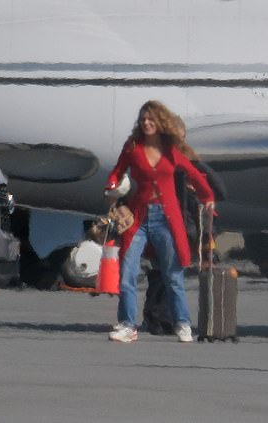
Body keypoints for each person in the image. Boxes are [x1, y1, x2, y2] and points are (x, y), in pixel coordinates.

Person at [105, 100, 215, 343]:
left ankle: (183, 323)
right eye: (143, 119)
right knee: (127, 272)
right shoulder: (133, 147)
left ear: (160, 121)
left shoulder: (171, 150)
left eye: (151, 119)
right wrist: (111, 188)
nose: (146, 123)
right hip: (138, 217)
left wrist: (207, 197)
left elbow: (194, 173)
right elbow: (117, 171)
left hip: (166, 218)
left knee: (172, 274)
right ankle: (127, 324)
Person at [142, 115, 227, 335]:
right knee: (166, 273)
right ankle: (163, 319)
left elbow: (218, 190)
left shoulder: (184, 163)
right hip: (172, 226)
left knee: (166, 273)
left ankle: (163, 319)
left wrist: (198, 189)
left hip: (179, 227)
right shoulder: (168, 161)